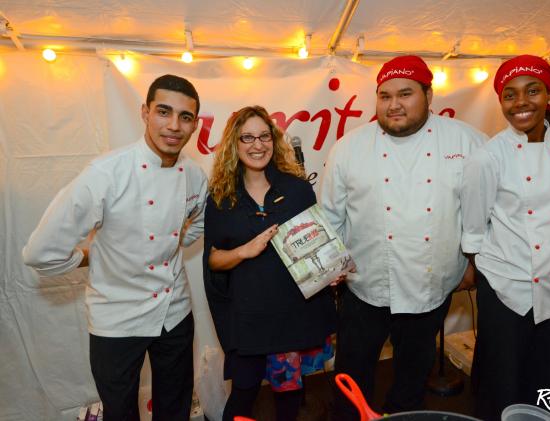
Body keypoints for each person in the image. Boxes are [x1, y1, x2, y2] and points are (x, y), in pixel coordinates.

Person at [22, 74, 207, 421]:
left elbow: (198, 220)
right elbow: (39, 251)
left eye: (185, 117)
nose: (174, 125)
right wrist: (88, 256)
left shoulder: (195, 175)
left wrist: (173, 242)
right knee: (120, 412)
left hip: (175, 311)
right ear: (145, 113)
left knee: (176, 406)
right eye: (163, 111)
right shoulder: (106, 173)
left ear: (195, 124)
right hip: (117, 318)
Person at [319, 55, 487, 419]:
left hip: (431, 287)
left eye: (406, 94)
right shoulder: (349, 148)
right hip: (364, 287)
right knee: (351, 376)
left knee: (412, 377)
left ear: (429, 94)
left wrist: (474, 265)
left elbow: (484, 212)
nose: (394, 104)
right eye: (385, 95)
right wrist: (328, 270)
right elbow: (330, 217)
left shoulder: (468, 142)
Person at [460, 55, 550, 420]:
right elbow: (473, 227)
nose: (521, 103)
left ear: (549, 96)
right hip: (507, 285)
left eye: (532, 91)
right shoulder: (487, 157)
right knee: (504, 381)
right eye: (510, 95)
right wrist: (481, 269)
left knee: (549, 377)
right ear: (501, 102)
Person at [203, 105, 337, 421]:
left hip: (291, 315)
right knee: (243, 394)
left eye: (264, 136)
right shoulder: (222, 197)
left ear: (273, 141)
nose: (257, 145)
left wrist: (330, 272)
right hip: (247, 319)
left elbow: (316, 247)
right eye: (247, 137)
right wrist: (243, 251)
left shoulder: (298, 189)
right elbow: (213, 261)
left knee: (288, 397)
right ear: (234, 144)